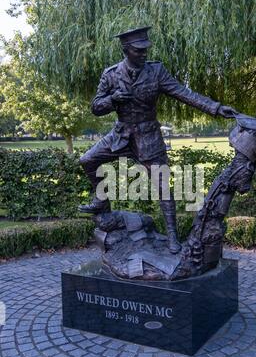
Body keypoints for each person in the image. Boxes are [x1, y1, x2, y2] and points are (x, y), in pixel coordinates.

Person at [79, 26, 236, 253]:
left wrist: (216, 108)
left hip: (148, 136)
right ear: (126, 50)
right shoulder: (111, 74)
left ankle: (172, 236)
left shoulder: (156, 71)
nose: (144, 54)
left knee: (162, 186)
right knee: (87, 160)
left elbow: (184, 93)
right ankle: (102, 201)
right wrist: (112, 99)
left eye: (145, 50)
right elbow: (96, 107)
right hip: (121, 135)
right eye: (138, 50)